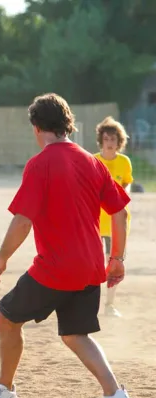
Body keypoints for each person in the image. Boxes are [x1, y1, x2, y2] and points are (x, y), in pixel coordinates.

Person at [0, 93, 134, 398]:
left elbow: (23, 220)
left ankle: (5, 390)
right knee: (75, 334)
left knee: (6, 319)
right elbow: (119, 212)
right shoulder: (92, 162)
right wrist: (117, 258)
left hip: (56, 269)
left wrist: (1, 258)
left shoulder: (40, 163)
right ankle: (114, 396)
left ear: (36, 128)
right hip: (92, 267)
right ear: (67, 124)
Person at [94, 116, 133, 317]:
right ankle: (89, 305)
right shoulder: (92, 161)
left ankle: (109, 305)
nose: (110, 143)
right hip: (94, 223)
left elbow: (126, 188)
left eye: (114, 139)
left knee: (114, 264)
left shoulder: (125, 162)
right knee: (92, 264)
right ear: (101, 140)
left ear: (119, 142)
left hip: (116, 225)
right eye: (107, 139)